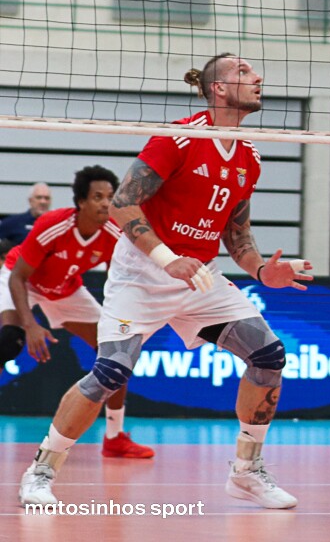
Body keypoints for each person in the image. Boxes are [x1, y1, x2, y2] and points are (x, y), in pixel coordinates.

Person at [18, 54, 314, 509]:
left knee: (268, 355)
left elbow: (237, 236)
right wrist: (167, 258)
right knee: (110, 373)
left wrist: (261, 270)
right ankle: (41, 471)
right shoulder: (180, 138)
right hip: (141, 274)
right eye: (243, 72)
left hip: (198, 277)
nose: (257, 77)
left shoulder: (249, 158)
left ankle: (246, 471)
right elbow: (122, 204)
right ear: (218, 88)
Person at [0, 166, 152, 458]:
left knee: (117, 352)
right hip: (23, 280)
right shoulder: (53, 225)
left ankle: (115, 437)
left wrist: (123, 320)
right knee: (8, 342)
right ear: (81, 202)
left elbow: (118, 280)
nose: (106, 203)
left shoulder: (114, 232)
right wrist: (30, 325)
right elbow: (18, 277)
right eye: (98, 197)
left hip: (65, 288)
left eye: (110, 197)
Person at [0, 182, 53, 252]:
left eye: (47, 198)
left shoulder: (57, 224)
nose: (43, 202)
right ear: (30, 200)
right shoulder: (12, 223)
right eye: (39, 197)